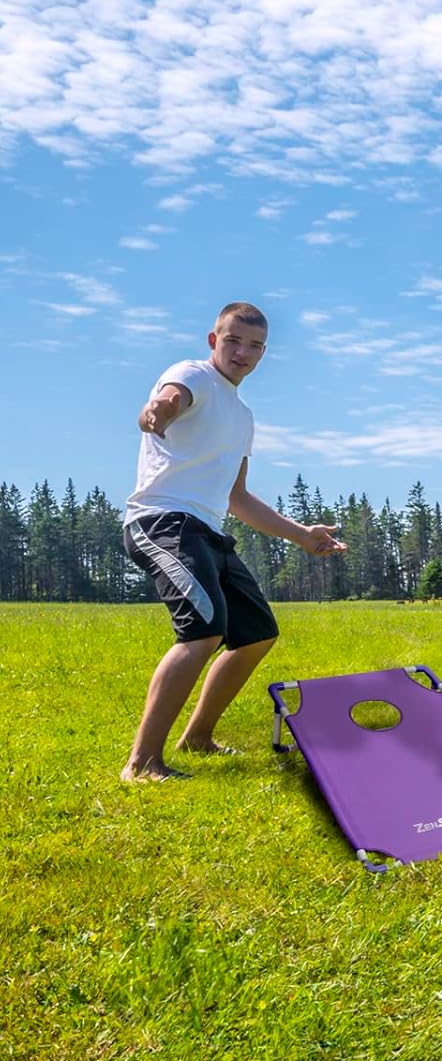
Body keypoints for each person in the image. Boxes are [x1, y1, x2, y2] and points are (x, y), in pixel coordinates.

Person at [121, 302, 344, 783]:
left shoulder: (242, 415)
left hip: (207, 530)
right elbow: (168, 398)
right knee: (203, 630)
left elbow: (237, 498)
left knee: (257, 631)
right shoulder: (192, 376)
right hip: (162, 522)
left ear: (264, 352)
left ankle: (198, 736)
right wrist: (157, 410)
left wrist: (303, 535)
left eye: (255, 346)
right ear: (212, 340)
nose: (243, 352)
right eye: (233, 341)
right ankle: (142, 763)